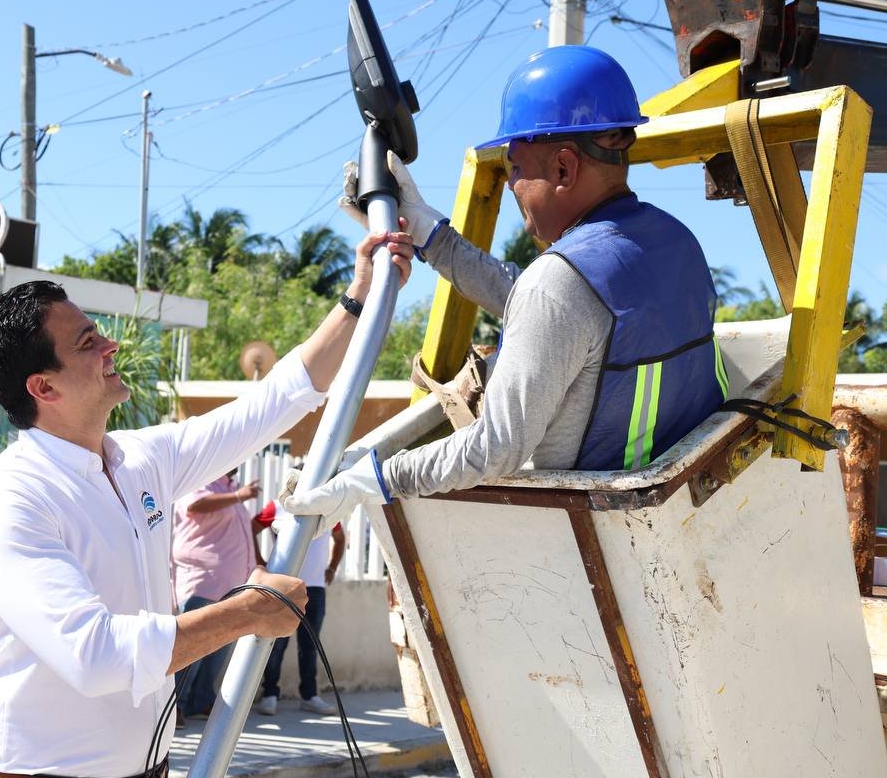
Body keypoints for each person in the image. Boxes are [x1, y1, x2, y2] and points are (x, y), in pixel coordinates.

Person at [0, 228, 412, 778]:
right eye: (89, 341)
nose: (111, 345)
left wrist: (358, 298)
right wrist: (244, 613)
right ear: (43, 386)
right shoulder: (9, 498)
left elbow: (272, 403)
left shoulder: (140, 460)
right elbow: (97, 656)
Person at [287, 45, 727, 523]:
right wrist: (429, 233)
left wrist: (371, 479)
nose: (513, 184)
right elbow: (552, 309)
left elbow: (493, 449)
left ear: (563, 168)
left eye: (515, 166)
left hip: (600, 536)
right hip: (692, 505)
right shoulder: (677, 243)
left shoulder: (560, 284)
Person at [170, 468, 260, 725]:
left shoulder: (228, 486)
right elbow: (196, 504)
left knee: (218, 648)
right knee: (191, 649)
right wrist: (240, 496)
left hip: (230, 586)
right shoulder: (199, 479)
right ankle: (173, 707)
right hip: (203, 582)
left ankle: (201, 700)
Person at [254, 500, 345, 717]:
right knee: (275, 644)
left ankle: (309, 696)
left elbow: (340, 538)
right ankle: (270, 695)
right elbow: (252, 526)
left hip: (314, 587)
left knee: (310, 644)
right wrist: (259, 560)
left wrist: (332, 567)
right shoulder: (278, 506)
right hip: (283, 587)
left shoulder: (328, 506)